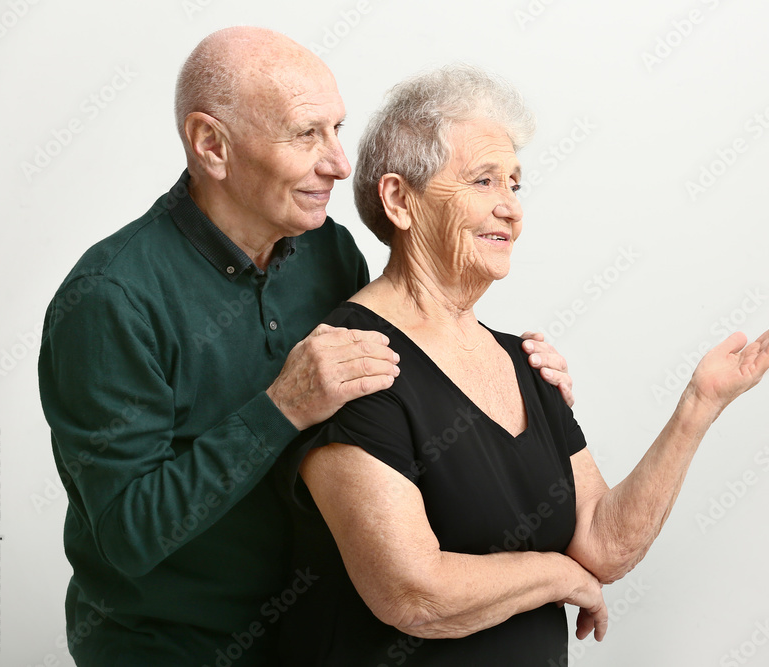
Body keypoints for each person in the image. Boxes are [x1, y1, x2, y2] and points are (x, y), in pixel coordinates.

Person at [37, 28, 574, 666]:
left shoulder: (328, 251)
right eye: (305, 134)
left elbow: (398, 401)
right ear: (212, 145)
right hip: (174, 649)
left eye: (338, 128)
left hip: (314, 638)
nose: (341, 164)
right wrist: (282, 406)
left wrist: (514, 376)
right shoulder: (111, 300)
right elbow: (128, 536)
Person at [276, 65, 769, 666]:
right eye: (484, 181)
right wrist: (556, 577)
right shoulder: (353, 359)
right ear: (400, 200)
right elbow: (411, 592)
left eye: (515, 187)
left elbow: (601, 541)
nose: (511, 211)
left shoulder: (524, 360)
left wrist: (698, 408)